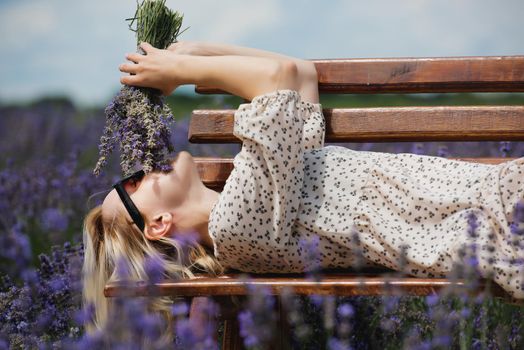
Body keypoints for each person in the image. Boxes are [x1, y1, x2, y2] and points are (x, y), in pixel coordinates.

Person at [83, 41, 524, 335]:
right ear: (158, 225)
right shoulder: (235, 227)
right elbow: (274, 78)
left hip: (480, 195)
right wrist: (180, 70)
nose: (141, 170)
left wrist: (200, 51)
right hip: (478, 219)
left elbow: (298, 74)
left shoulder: (260, 180)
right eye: (131, 185)